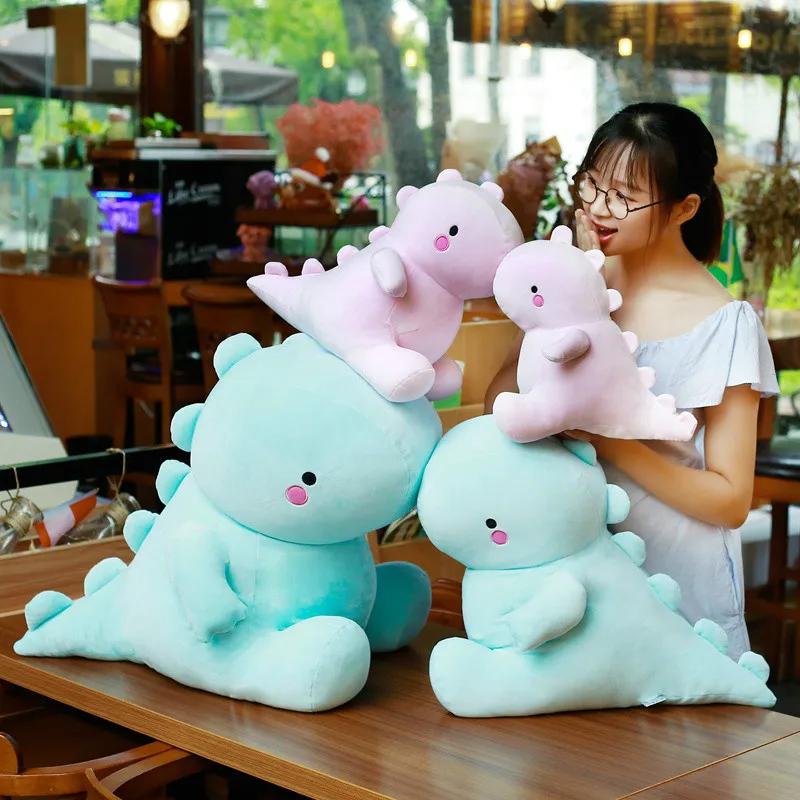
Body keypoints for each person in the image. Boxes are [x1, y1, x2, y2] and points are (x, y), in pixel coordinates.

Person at [484, 102, 778, 659]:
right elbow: (496, 401)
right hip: (569, 576)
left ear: (685, 207)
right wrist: (566, 291)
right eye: (592, 183)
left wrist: (609, 441)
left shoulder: (725, 323)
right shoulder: (573, 283)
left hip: (678, 588)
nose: (598, 207)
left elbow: (730, 500)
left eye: (623, 196)